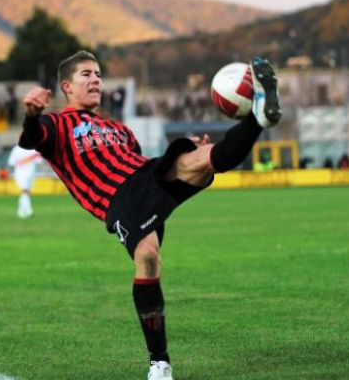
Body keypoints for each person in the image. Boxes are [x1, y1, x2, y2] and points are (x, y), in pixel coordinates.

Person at [19, 51, 281, 380]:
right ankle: (160, 362)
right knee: (148, 256)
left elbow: (135, 164)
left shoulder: (120, 131)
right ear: (67, 86)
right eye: (87, 74)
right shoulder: (55, 124)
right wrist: (30, 115)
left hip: (145, 175)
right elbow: (31, 138)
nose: (96, 80)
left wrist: (187, 151)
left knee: (202, 160)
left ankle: (259, 117)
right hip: (118, 200)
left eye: (98, 74)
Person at [7, 144, 44, 218]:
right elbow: (11, 162)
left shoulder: (33, 148)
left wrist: (44, 171)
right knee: (24, 190)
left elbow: (39, 161)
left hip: (31, 173)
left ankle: (20, 211)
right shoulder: (17, 149)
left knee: (26, 192)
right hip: (20, 173)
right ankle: (29, 210)